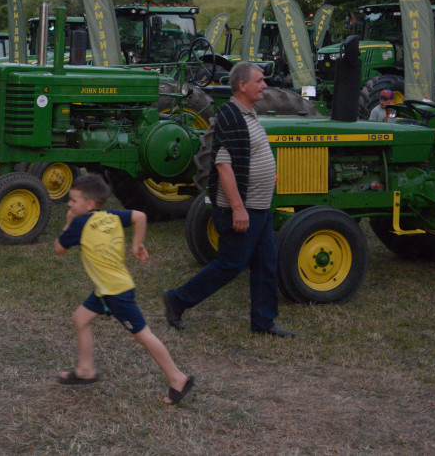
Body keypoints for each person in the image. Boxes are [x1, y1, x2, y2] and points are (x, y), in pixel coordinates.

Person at [163, 61, 294, 338]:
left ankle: (263, 320)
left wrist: (267, 174)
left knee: (265, 264)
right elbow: (223, 165)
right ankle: (176, 300)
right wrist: (238, 208)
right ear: (242, 85)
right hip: (243, 208)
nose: (264, 85)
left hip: (259, 206)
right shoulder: (230, 116)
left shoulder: (249, 114)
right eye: (259, 81)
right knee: (230, 265)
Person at [54, 175, 194, 405]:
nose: (70, 204)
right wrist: (136, 244)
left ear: (89, 205)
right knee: (80, 319)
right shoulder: (111, 216)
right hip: (110, 288)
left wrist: (69, 221)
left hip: (114, 293)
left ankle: (178, 377)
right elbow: (140, 216)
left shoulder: (79, 224)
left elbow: (59, 248)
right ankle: (85, 370)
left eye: (74, 201)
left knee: (145, 335)